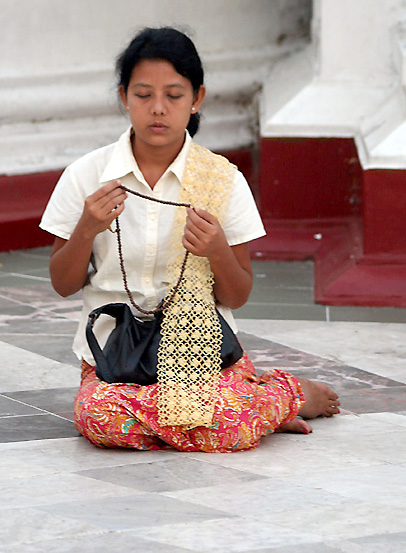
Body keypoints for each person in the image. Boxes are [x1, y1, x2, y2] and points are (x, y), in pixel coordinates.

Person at [40, 27, 340, 452]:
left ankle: (274, 399)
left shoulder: (221, 179)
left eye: (174, 95)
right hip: (115, 356)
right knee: (99, 417)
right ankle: (264, 405)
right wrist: (86, 229)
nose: (158, 109)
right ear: (124, 97)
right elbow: (62, 283)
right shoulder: (88, 175)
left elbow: (237, 295)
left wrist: (217, 251)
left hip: (201, 356)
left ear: (197, 98)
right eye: (143, 95)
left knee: (212, 420)